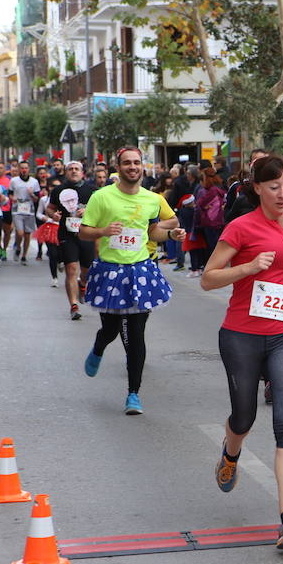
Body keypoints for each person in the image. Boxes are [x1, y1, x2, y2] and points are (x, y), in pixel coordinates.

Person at [200, 154, 283, 549]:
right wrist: (248, 267)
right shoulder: (241, 227)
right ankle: (231, 453)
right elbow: (208, 278)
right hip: (241, 332)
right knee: (244, 415)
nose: (282, 194)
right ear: (257, 188)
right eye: (274, 187)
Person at [79, 147, 185, 415]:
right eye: (127, 163)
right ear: (119, 167)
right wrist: (103, 231)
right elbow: (83, 231)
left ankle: (133, 394)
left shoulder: (152, 199)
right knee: (111, 330)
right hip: (110, 272)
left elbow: (152, 231)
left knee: (136, 334)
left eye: (136, 163)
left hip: (140, 271)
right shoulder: (101, 197)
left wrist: (171, 237)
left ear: (143, 167)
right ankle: (99, 347)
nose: (132, 167)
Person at [47, 161, 97, 320]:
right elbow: (50, 207)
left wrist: (88, 210)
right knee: (70, 269)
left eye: (77, 169)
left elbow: (103, 210)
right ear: (66, 172)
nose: (73, 171)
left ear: (82, 172)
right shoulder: (58, 189)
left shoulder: (92, 189)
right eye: (70, 169)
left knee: (86, 270)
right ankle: (73, 305)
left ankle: (83, 285)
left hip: (87, 233)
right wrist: (52, 215)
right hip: (67, 235)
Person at [9, 160, 40, 265]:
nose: (24, 170)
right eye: (22, 168)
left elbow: (37, 199)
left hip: (29, 209)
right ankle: (18, 247)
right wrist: (12, 198)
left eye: (26, 168)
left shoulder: (34, 182)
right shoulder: (14, 181)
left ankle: (24, 255)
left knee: (27, 234)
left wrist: (32, 194)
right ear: (19, 169)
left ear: (29, 169)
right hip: (17, 208)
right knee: (20, 232)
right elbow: (10, 193)